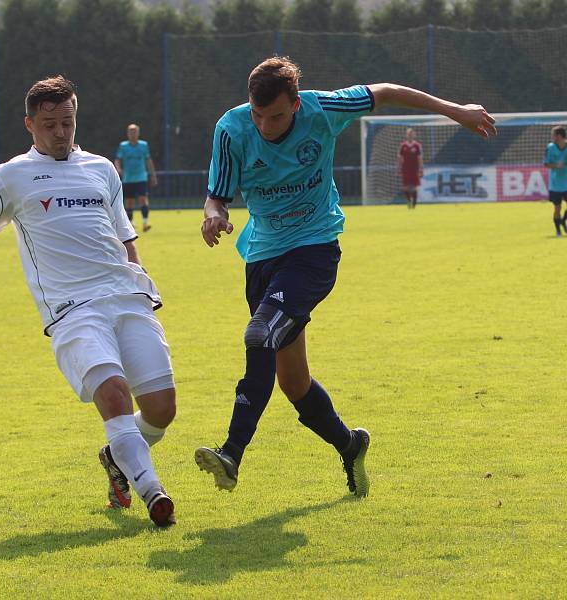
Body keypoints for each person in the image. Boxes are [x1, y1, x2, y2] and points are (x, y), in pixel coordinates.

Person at [195, 56, 496, 498]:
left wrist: (455, 111)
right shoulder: (232, 128)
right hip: (262, 259)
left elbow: (388, 90)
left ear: (296, 104)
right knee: (293, 383)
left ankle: (232, 453)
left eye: (275, 115)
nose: (264, 126)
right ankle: (350, 445)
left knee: (259, 334)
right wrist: (213, 216)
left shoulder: (323, 109)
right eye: (257, 115)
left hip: (314, 252)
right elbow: (216, 196)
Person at [0, 76, 177, 527]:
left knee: (161, 410)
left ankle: (117, 458)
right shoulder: (12, 176)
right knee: (114, 394)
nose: (61, 132)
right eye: (50, 125)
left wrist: (141, 282)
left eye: (68, 122)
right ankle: (152, 492)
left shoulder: (102, 168)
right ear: (29, 124)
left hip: (126, 297)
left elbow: (124, 237)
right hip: (72, 310)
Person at [114, 124, 157, 231]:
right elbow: (118, 159)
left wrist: (153, 175)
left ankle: (145, 222)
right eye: (131, 132)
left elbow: (148, 160)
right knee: (129, 202)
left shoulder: (143, 145)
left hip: (141, 177)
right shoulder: (123, 146)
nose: (133, 134)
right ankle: (130, 224)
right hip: (128, 178)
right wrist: (118, 168)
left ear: (138, 133)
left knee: (143, 199)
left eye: (135, 132)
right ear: (128, 134)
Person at [544, 125, 567, 236]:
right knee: (557, 208)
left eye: (553, 134)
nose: (552, 137)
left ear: (559, 136)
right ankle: (558, 230)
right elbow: (546, 164)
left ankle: (563, 220)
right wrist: (556, 165)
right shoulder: (550, 147)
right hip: (555, 184)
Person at [398, 127, 423, 209]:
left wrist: (421, 169)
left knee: (414, 187)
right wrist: (399, 168)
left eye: (412, 134)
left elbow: (420, 158)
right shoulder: (403, 145)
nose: (410, 135)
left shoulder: (417, 145)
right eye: (409, 134)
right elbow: (400, 158)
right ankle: (409, 201)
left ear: (414, 135)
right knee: (406, 187)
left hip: (414, 169)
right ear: (406, 135)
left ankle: (414, 203)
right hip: (405, 168)